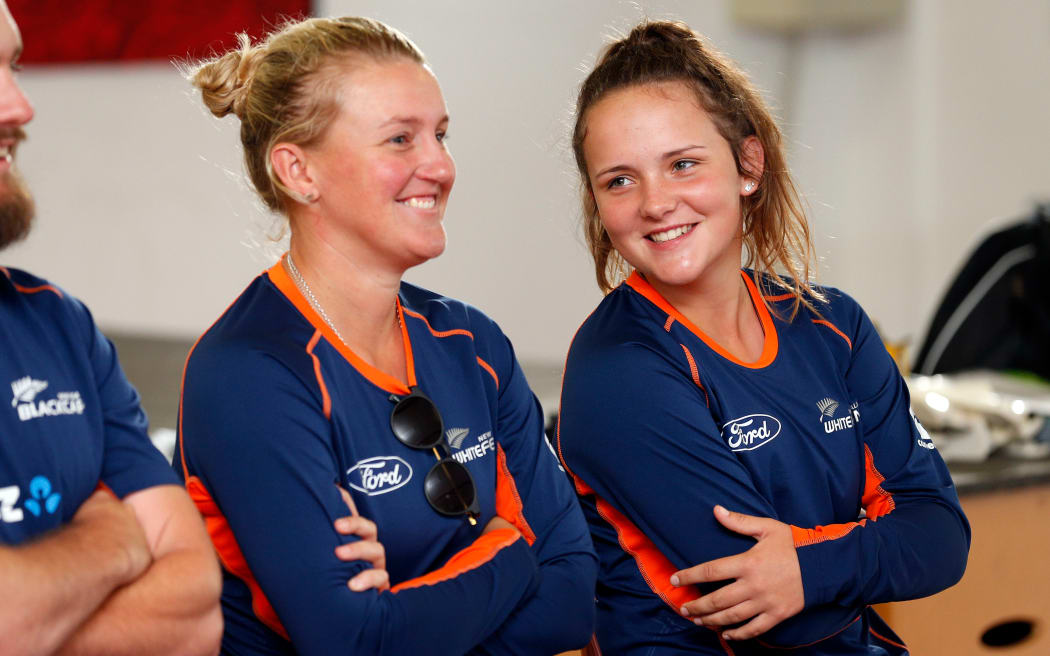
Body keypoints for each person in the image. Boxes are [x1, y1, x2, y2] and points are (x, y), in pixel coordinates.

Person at [176, 15, 597, 655]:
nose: (441, 165)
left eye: (441, 135)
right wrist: (512, 550)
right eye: (401, 139)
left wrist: (408, 606)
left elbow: (570, 599)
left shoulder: (472, 343)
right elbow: (357, 641)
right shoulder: (248, 373)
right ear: (297, 171)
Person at [556, 20, 970, 655]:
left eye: (683, 164)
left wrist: (804, 568)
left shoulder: (834, 327)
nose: (655, 202)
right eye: (620, 180)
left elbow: (940, 537)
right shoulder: (618, 368)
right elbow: (778, 615)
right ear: (599, 203)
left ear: (747, 165)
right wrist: (862, 552)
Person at [0, 2, 223, 655]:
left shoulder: (59, 325)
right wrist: (112, 536)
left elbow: (196, 615)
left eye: (13, 66)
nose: (21, 107)